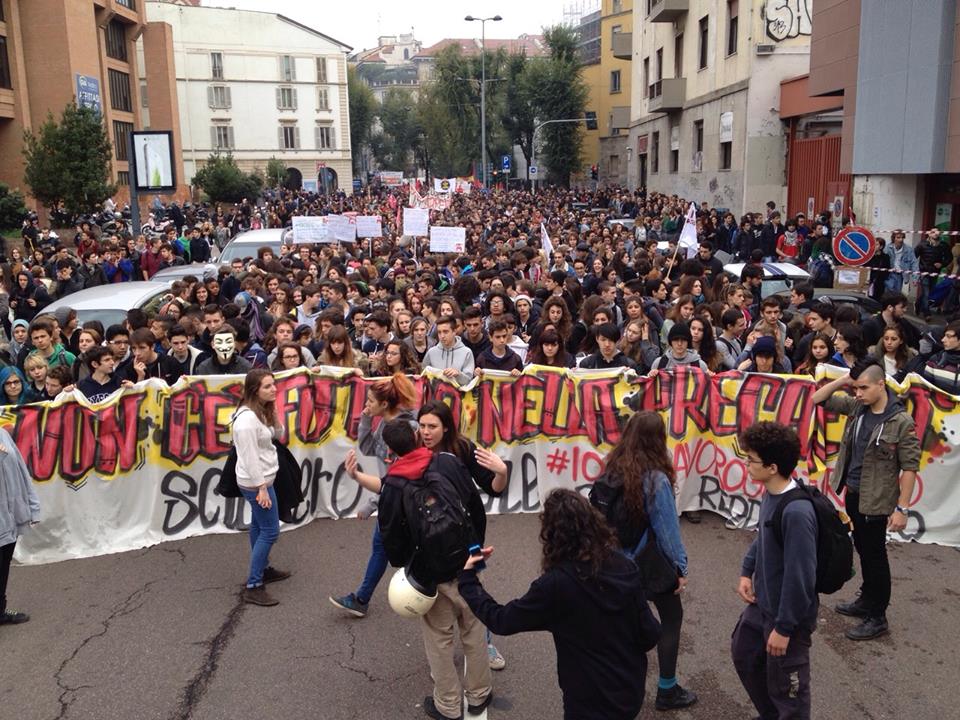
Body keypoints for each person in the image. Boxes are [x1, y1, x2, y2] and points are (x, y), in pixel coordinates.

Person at [460, 488, 661, 720]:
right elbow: (650, 633)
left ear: (552, 535)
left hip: (588, 700)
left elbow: (501, 620)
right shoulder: (625, 566)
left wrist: (468, 581)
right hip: (629, 690)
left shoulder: (555, 585)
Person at [358, 418, 493, 720]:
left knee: (439, 638)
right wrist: (475, 549)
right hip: (468, 560)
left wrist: (409, 568)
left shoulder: (393, 483)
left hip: (432, 571)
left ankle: (448, 704)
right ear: (418, 436)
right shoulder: (446, 462)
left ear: (390, 450)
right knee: (474, 627)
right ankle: (480, 694)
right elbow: (474, 506)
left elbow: (391, 535)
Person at [589, 412, 695, 711]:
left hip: (613, 563)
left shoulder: (611, 468)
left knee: (620, 626)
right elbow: (667, 531)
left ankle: (613, 687)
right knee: (671, 618)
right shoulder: (656, 478)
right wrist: (680, 569)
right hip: (647, 563)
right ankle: (667, 689)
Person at [812, 359, 920, 640]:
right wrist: (844, 381)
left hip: (877, 499)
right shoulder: (858, 407)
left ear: (881, 385)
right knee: (862, 547)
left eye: (863, 387)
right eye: (856, 388)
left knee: (875, 556)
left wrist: (902, 509)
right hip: (853, 492)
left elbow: (910, 467)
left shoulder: (900, 422)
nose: (858, 393)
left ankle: (877, 615)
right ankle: (866, 601)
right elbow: (817, 398)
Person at [732, 422, 817, 719]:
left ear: (772, 467)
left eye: (751, 459)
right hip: (763, 606)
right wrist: (747, 569)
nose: (746, 464)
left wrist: (784, 628)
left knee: (789, 692)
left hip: (787, 618)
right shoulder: (771, 492)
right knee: (744, 654)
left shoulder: (796, 512)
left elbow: (801, 577)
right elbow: (763, 535)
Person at [417, 399, 509, 671]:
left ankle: (486, 642)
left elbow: (495, 489)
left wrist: (501, 471)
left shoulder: (463, 448)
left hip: (470, 536)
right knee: (439, 603)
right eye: (422, 425)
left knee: (474, 587)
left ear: (446, 428)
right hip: (432, 540)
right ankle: (442, 661)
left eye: (432, 426)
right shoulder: (415, 449)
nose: (425, 432)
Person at [330, 373, 419, 618]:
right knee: (381, 547)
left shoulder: (405, 429)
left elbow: (399, 477)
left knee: (422, 559)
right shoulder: (384, 426)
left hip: (405, 504)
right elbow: (368, 448)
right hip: (391, 501)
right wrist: (367, 419)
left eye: (370, 402)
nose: (366, 406)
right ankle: (362, 598)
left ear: (385, 404)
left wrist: (372, 503)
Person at [232, 369, 290, 606]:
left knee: (259, 525)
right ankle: (254, 584)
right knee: (270, 531)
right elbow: (249, 458)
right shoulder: (245, 421)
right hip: (257, 483)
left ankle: (263, 568)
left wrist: (274, 414)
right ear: (255, 390)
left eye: (273, 384)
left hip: (263, 480)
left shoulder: (260, 412)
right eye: (267, 386)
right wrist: (261, 488)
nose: (274, 389)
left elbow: (278, 435)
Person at [0, 427, 41, 625]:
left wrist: (33, 506)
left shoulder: (3, 434)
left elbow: (21, 471)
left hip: (9, 517)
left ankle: (0, 610)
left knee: (3, 565)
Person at [422, 316, 474, 384]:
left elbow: (469, 381)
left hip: (458, 393)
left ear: (454, 331)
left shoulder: (467, 352)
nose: (442, 336)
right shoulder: (431, 352)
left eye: (445, 332)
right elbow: (423, 376)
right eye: (439, 332)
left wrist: (458, 374)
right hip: (436, 393)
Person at [920, 321, 960, 395]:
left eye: (948, 336)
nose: (943, 340)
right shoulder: (936, 360)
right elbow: (924, 390)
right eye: (944, 335)